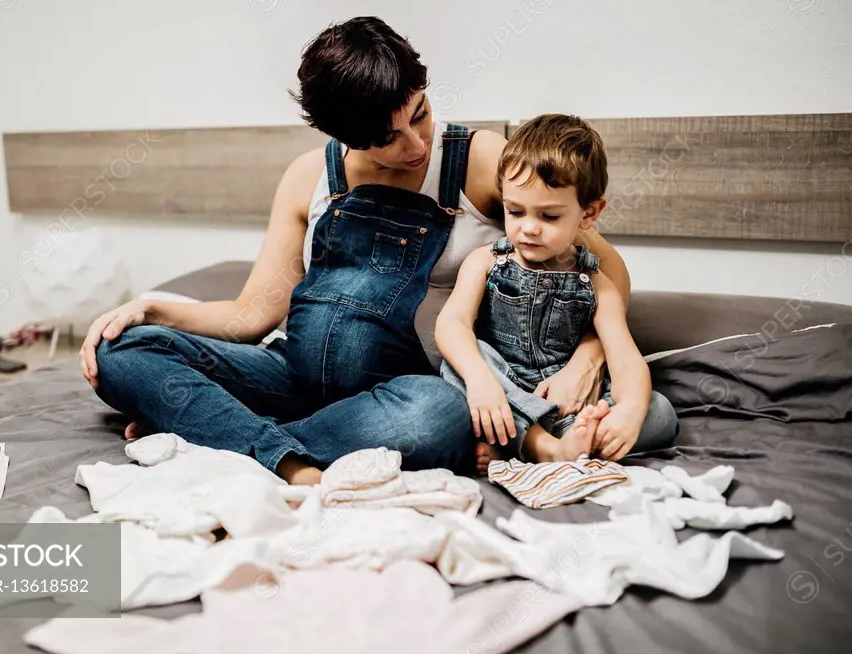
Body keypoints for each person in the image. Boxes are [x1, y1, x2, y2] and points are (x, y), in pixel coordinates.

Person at [78, 17, 632, 484]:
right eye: (386, 138)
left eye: (419, 113)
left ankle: (224, 437)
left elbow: (606, 272)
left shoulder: (483, 160)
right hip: (289, 379)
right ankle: (273, 448)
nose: (415, 145)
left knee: (438, 417)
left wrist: (589, 356)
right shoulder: (306, 178)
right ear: (341, 133)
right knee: (122, 350)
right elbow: (252, 315)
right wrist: (154, 308)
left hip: (395, 397)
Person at [435, 114, 678, 472]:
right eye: (515, 211)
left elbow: (627, 360)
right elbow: (451, 324)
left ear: (589, 212)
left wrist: (627, 412)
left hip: (568, 403)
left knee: (660, 414)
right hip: (501, 392)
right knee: (458, 363)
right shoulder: (485, 262)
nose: (528, 229)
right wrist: (480, 379)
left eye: (549, 217)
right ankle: (543, 446)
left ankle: (542, 441)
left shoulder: (597, 283)